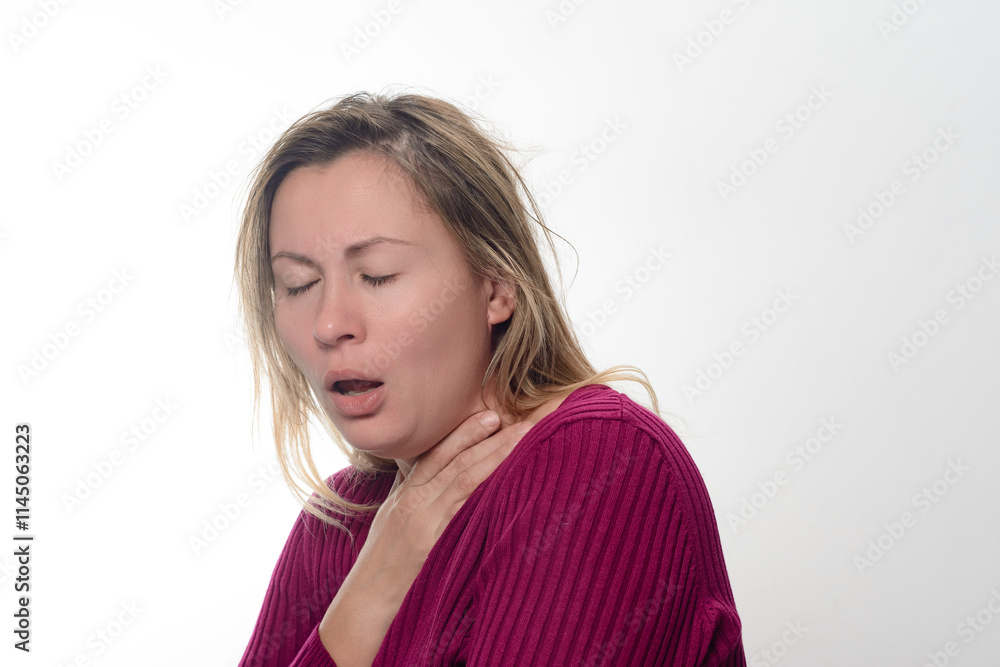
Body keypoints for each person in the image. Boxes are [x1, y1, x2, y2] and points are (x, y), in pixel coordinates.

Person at [233, 91, 745, 666]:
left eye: (376, 275)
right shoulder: (340, 524)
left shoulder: (601, 460)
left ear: (497, 285)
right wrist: (369, 593)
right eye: (298, 284)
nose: (329, 324)